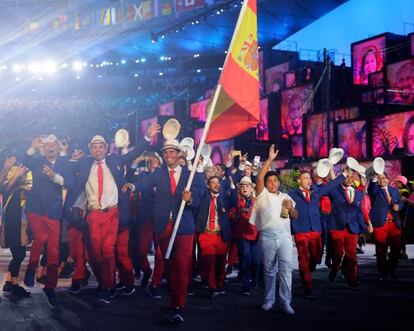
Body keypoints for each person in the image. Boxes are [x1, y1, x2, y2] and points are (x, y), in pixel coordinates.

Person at [71, 124, 159, 304]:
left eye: (101, 146)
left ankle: (107, 286)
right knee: (95, 254)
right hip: (94, 214)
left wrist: (147, 137)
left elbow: (133, 154)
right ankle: (105, 281)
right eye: (94, 147)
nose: (98, 150)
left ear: (106, 148)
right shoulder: (84, 163)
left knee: (108, 251)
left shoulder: (115, 160)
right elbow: (63, 166)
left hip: (112, 212)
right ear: (90, 149)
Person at [133, 138, 201, 324]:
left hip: (184, 226)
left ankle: (179, 305)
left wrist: (191, 198)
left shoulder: (191, 174)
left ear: (179, 154)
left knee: (181, 265)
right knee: (169, 266)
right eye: (166, 152)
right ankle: (174, 299)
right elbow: (144, 184)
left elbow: (200, 196)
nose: (168, 155)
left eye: (172, 151)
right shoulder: (159, 173)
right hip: (164, 226)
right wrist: (131, 186)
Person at [22, 134, 74, 308]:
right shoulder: (37, 160)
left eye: (54, 145)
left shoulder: (64, 164)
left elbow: (69, 183)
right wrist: (32, 147)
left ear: (58, 148)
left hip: (53, 210)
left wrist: (54, 176)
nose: (51, 147)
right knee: (41, 238)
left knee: (54, 250)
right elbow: (26, 160)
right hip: (35, 208)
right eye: (48, 145)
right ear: (44, 148)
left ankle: (50, 287)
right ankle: (31, 268)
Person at [250, 144, 297, 314]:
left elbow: (295, 215)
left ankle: (286, 302)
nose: (273, 183)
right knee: (269, 270)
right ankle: (269, 300)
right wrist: (269, 159)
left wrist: (291, 208)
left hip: (284, 237)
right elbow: (260, 177)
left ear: (279, 182)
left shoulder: (286, 196)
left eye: (275, 180)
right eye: (270, 181)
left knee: (286, 269)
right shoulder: (262, 195)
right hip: (268, 237)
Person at [288, 167, 347, 297]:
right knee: (303, 258)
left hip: (316, 230)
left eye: (309, 178)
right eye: (305, 178)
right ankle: (307, 286)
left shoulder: (316, 192)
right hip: (301, 230)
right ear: (299, 181)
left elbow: (331, 185)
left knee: (316, 257)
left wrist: (344, 174)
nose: (308, 180)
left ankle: (308, 270)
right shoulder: (292, 194)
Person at [326, 169, 369, 289]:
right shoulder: (334, 191)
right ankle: (335, 268)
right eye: (347, 176)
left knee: (351, 255)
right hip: (337, 226)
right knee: (338, 254)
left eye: (352, 177)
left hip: (352, 227)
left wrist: (362, 228)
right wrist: (330, 170)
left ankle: (352, 279)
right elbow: (327, 188)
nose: (350, 179)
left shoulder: (358, 193)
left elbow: (359, 212)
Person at [195, 176, 233, 298]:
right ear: (208, 185)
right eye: (213, 182)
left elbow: (235, 199)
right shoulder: (204, 198)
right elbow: (200, 188)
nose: (217, 185)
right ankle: (212, 287)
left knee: (221, 262)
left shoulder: (224, 198)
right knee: (210, 260)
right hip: (206, 234)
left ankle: (220, 284)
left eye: (218, 182)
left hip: (221, 235)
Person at [0, 159, 32, 298]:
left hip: (21, 224)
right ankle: (13, 285)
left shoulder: (21, 186)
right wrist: (15, 175)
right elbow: (5, 188)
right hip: (13, 225)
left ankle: (9, 282)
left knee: (18, 255)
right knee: (19, 255)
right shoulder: (9, 185)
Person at [368, 173, 403, 280]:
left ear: (388, 179)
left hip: (393, 223)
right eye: (380, 178)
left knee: (397, 249)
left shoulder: (394, 190)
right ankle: (383, 273)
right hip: (380, 224)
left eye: (384, 178)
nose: (382, 180)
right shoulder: (375, 190)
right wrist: (374, 177)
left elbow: (400, 202)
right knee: (381, 250)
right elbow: (371, 188)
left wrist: (399, 206)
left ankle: (391, 269)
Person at [232, 176, 259, 295]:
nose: (245, 188)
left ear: (252, 188)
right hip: (242, 234)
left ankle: (255, 281)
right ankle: (245, 285)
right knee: (245, 259)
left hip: (255, 234)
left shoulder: (257, 201)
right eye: (242, 186)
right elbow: (231, 217)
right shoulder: (236, 201)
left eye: (247, 186)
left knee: (256, 261)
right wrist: (238, 212)